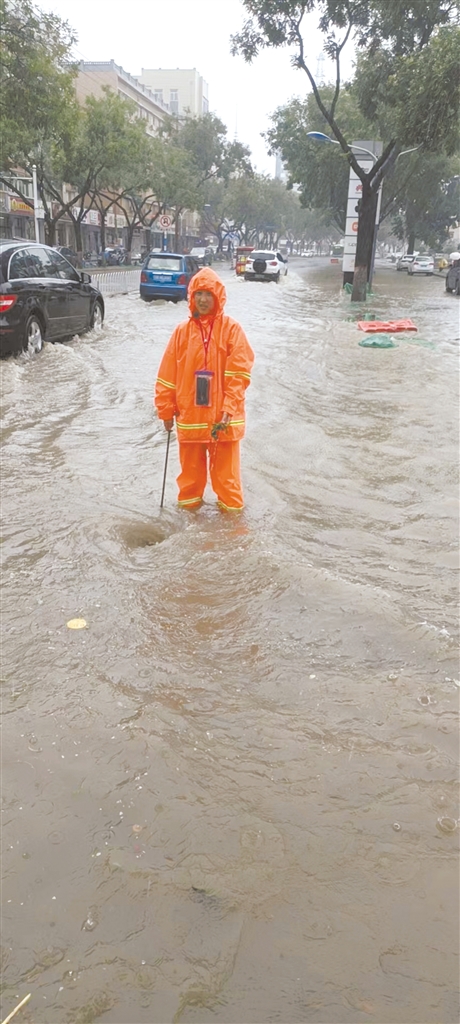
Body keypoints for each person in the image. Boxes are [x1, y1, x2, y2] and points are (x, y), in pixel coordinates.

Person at [154, 267, 254, 510]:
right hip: (191, 419)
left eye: (209, 294)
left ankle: (233, 530)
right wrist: (165, 410)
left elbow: (239, 375)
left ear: (218, 297)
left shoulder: (232, 330)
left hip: (223, 421)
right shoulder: (181, 333)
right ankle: (188, 527)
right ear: (191, 297)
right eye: (198, 293)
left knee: (228, 485)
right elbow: (167, 376)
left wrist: (229, 408)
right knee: (189, 486)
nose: (203, 299)